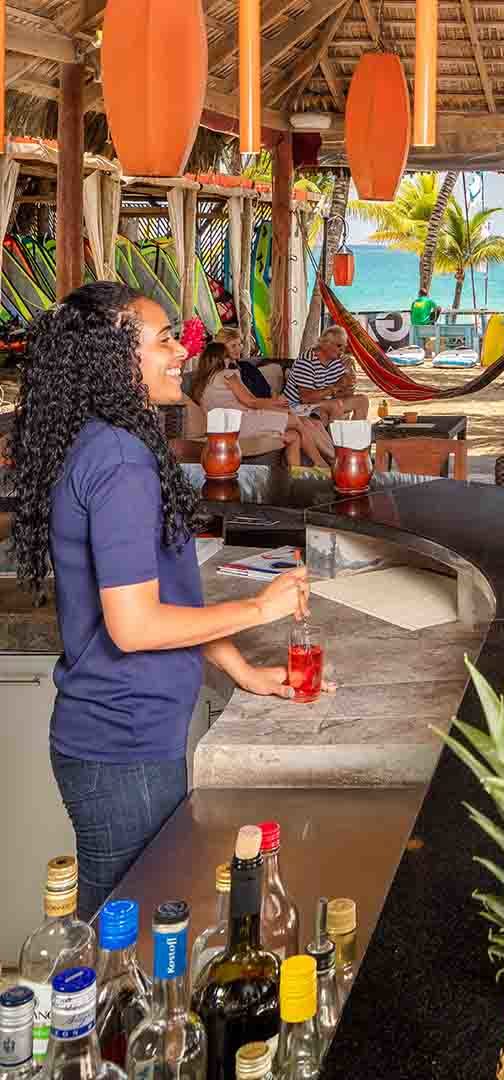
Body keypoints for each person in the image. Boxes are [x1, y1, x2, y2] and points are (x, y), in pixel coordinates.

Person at [9, 282, 311, 922]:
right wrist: (260, 609)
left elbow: (169, 600)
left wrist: (241, 669)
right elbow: (137, 625)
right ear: (118, 359)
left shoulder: (104, 440)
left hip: (118, 741)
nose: (182, 351)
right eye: (166, 339)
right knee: (137, 937)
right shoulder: (121, 460)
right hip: (123, 747)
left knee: (131, 932)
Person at [192, 341, 332, 467]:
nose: (230, 359)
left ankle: (296, 475)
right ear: (222, 358)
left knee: (293, 435)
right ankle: (320, 463)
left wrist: (275, 406)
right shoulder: (228, 374)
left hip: (224, 430)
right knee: (296, 421)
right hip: (242, 423)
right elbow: (250, 401)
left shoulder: (201, 386)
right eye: (227, 356)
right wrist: (276, 402)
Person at [284, 326, 369, 424]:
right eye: (339, 346)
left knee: (362, 400)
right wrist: (335, 388)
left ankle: (355, 438)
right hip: (297, 406)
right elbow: (306, 398)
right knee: (335, 405)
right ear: (325, 344)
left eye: (344, 347)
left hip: (324, 401)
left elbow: (347, 393)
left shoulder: (338, 361)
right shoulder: (306, 361)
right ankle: (335, 439)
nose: (342, 350)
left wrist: (349, 374)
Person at [214, 327, 274, 400]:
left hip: (267, 405)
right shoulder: (221, 374)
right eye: (233, 346)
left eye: (239, 344)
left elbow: (269, 391)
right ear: (221, 349)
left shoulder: (247, 366)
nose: (238, 349)